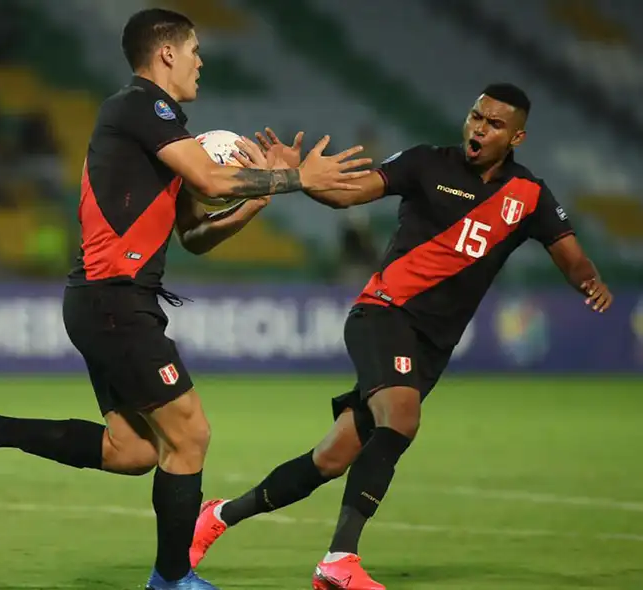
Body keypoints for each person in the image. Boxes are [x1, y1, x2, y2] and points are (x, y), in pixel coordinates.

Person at [0, 8, 370, 590]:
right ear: (165, 54)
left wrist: (263, 199)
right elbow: (214, 182)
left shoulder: (162, 133)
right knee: (190, 433)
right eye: (194, 51)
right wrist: (299, 181)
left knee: (132, 450)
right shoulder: (139, 106)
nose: (201, 62)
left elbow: (194, 233)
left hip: (109, 300)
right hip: (114, 299)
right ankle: (171, 579)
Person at [189, 83, 614, 590]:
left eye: (494, 124)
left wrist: (589, 282)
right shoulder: (425, 163)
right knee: (402, 419)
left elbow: (568, 251)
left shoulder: (529, 195)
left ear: (517, 135)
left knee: (331, 458)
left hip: (431, 344)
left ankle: (218, 515)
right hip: (384, 313)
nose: (479, 128)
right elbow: (349, 194)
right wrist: (295, 176)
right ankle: (339, 560)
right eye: (475, 116)